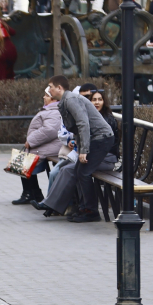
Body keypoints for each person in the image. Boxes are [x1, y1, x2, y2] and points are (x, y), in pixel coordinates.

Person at [46, 75, 115, 222]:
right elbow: (77, 128)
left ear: (59, 88)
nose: (48, 90)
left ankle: (91, 211)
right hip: (95, 139)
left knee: (83, 172)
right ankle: (83, 208)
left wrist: (84, 151)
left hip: (101, 139)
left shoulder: (70, 99)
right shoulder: (65, 101)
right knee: (78, 170)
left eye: (50, 86)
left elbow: (83, 124)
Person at [12, 87, 62, 205]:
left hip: (51, 146)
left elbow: (49, 130)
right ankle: (32, 192)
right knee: (22, 159)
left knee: (24, 160)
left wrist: (31, 141)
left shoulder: (54, 111)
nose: (43, 97)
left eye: (46, 95)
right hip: (46, 144)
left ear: (53, 98)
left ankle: (30, 193)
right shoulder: (50, 109)